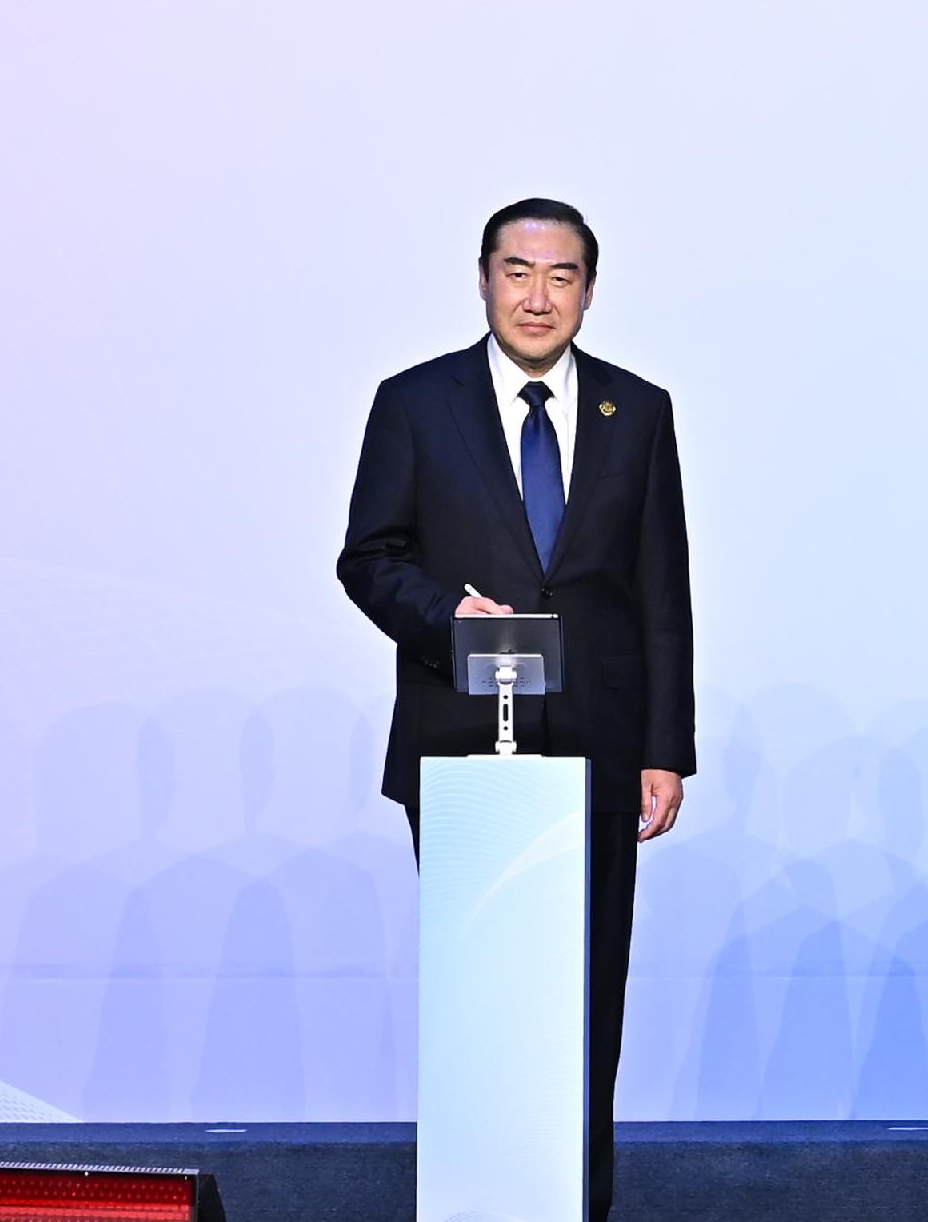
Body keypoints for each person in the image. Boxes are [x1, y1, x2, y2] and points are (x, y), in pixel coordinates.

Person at [338, 196, 692, 1222]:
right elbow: (369, 557)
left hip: (600, 745)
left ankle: (578, 1203)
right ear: (484, 275)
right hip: (461, 748)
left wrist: (665, 745)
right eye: (518, 271)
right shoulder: (417, 401)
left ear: (588, 285)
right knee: (482, 998)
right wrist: (448, 615)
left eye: (562, 274)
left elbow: (660, 589)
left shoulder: (638, 408)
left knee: (586, 1001)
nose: (538, 295)